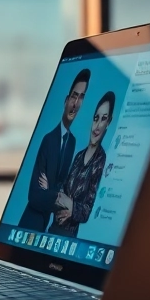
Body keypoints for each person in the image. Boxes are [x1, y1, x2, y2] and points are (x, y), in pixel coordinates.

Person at [18, 68, 89, 232]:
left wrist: (52, 191)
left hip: (46, 224)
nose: (76, 103)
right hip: (30, 222)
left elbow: (62, 185)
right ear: (66, 100)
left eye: (81, 98)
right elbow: (35, 195)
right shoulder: (48, 140)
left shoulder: (72, 142)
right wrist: (57, 196)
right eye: (74, 96)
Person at [50, 90, 115, 237]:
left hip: (68, 236)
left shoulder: (101, 160)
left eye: (103, 119)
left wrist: (71, 209)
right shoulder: (79, 156)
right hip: (53, 228)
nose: (97, 125)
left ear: (108, 122)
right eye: (95, 118)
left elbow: (87, 210)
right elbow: (62, 190)